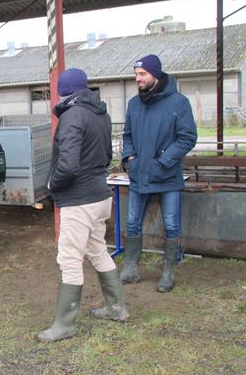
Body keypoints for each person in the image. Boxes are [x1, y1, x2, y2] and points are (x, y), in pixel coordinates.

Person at [38, 68, 129, 343]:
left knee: (69, 258)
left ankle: (65, 325)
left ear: (62, 91)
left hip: (80, 200)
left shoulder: (72, 116)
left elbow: (67, 164)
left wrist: (52, 185)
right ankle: (116, 308)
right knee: (98, 250)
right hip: (101, 194)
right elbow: (109, 154)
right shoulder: (101, 113)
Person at [121, 54, 197, 292]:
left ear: (156, 74)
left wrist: (164, 161)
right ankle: (131, 267)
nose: (138, 79)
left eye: (142, 74)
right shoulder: (134, 104)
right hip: (139, 175)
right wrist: (130, 159)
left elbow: (187, 138)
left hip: (167, 176)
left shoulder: (178, 103)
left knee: (171, 224)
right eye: (136, 74)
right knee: (132, 222)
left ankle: (168, 271)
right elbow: (127, 136)